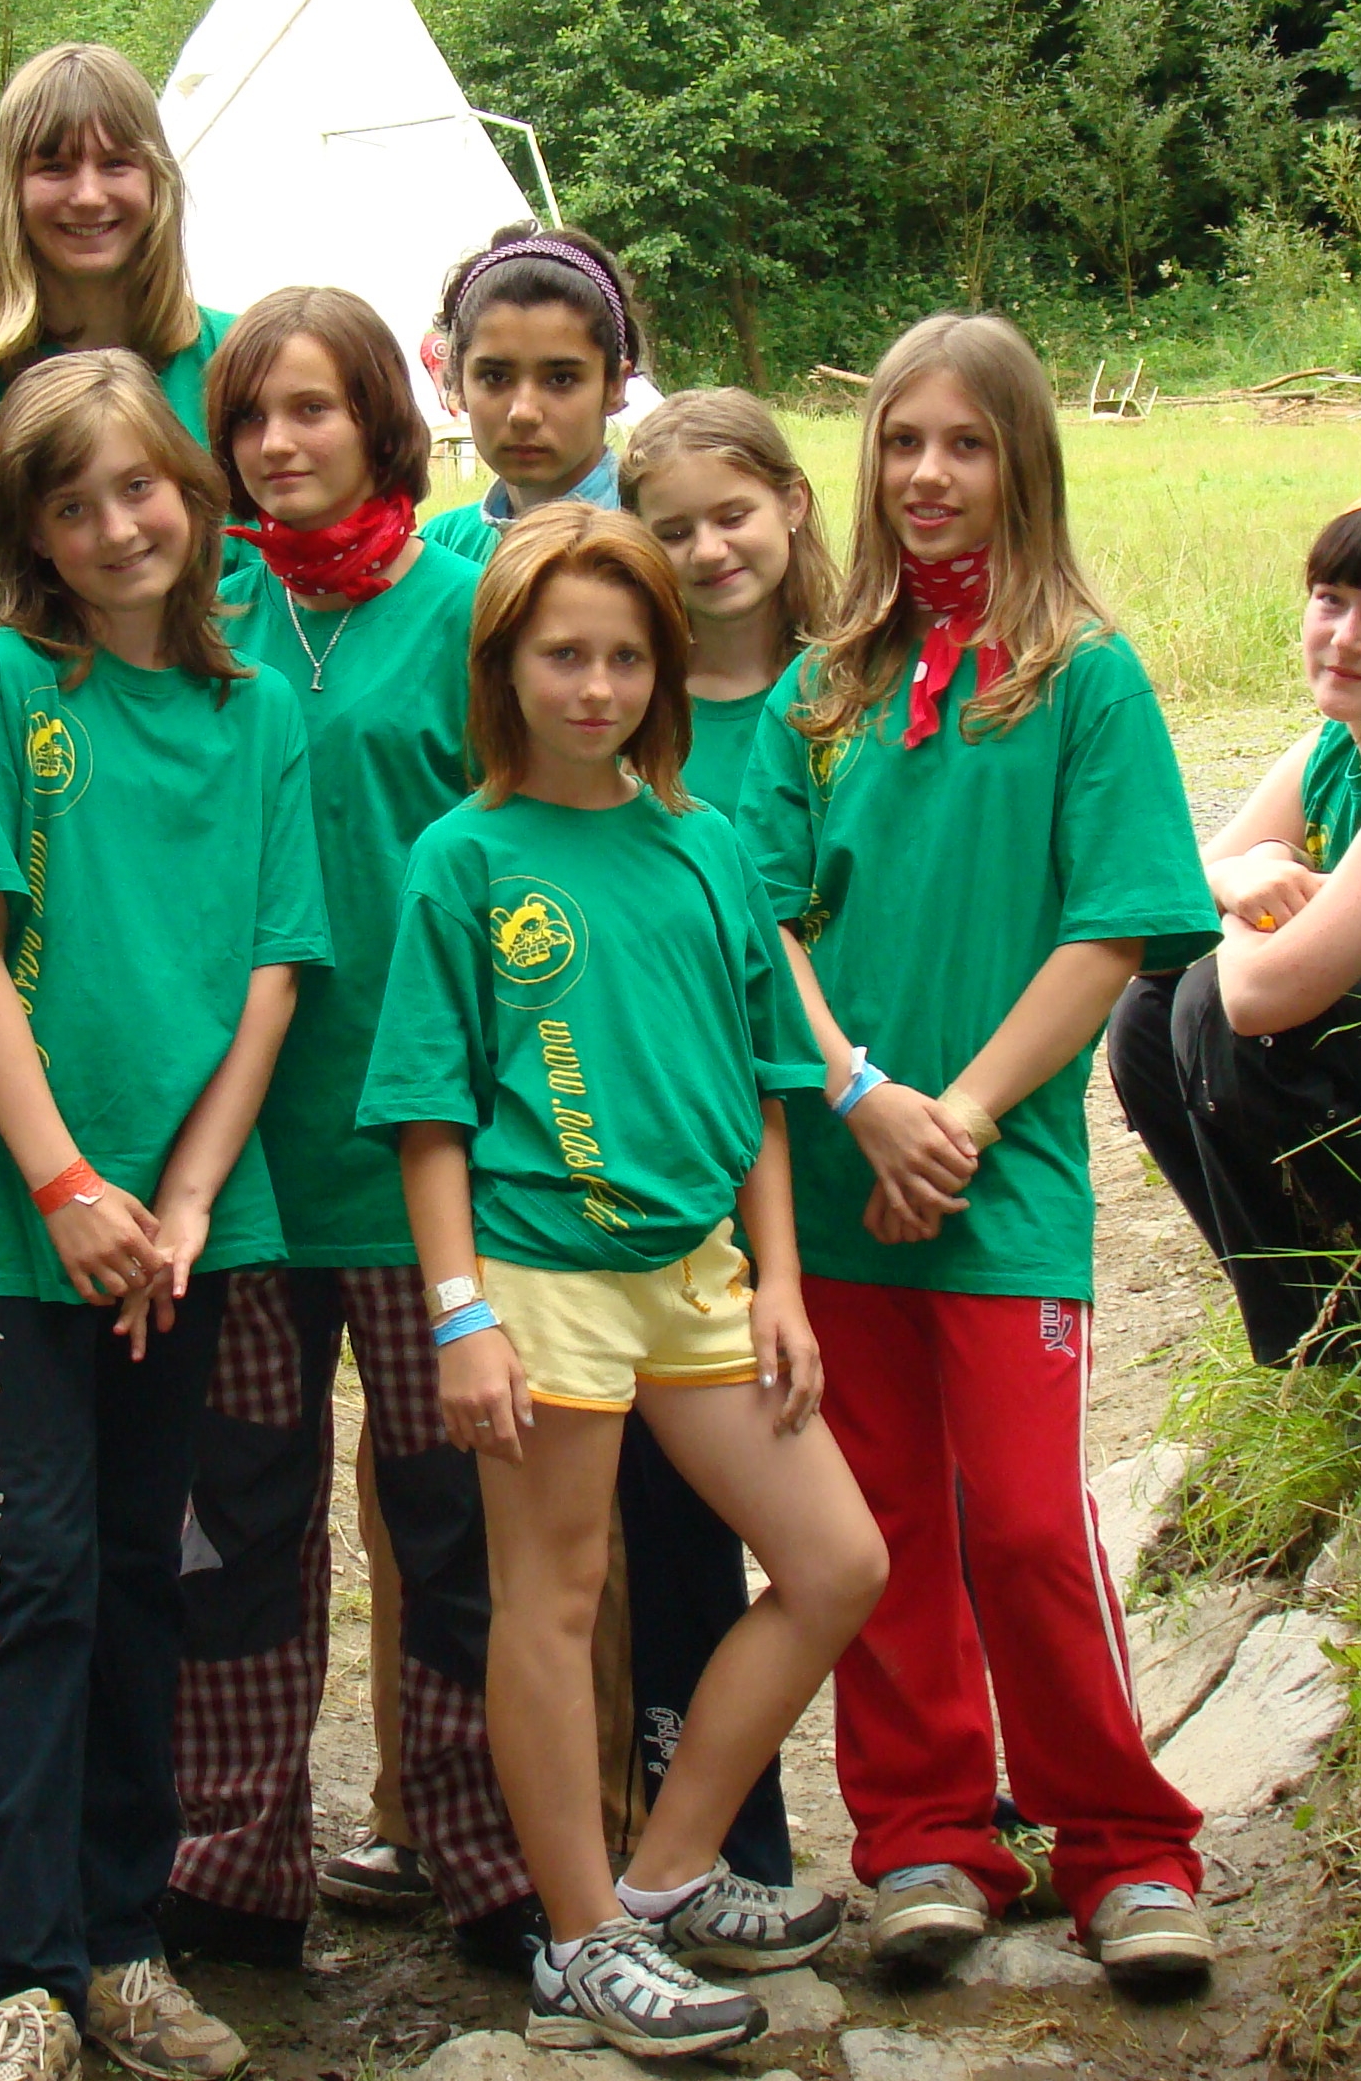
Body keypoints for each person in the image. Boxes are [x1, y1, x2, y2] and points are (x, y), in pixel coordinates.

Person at [733, 313, 1219, 1997]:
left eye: (963, 443)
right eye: (899, 442)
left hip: (995, 1178)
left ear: (1023, 460)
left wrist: (959, 1114)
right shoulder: (818, 690)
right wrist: (862, 1094)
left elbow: (1115, 924)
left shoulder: (1085, 676)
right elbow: (761, 919)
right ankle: (926, 1834)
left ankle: (1124, 1846)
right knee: (878, 1525)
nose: (927, 475)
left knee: (1018, 1522)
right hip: (836, 1171)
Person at [359, 502, 885, 2058]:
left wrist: (781, 1283)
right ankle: (577, 1941)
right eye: (561, 657)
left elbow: (765, 1083)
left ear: (663, 671)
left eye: (625, 659)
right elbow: (429, 1111)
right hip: (540, 1282)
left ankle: (659, 1880)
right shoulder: (461, 859)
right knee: (554, 1599)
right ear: (504, 671)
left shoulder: (708, 845)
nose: (594, 688)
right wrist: (460, 1311)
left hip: (700, 1273)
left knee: (837, 1564)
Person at [0, 350, 328, 2081]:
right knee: (29, 1580)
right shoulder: (2, 685)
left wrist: (188, 1192)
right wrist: (66, 1184)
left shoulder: (255, 708)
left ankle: (129, 1947)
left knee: (149, 1574)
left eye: (140, 486)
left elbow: (277, 962)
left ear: (193, 495)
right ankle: (20, 1971)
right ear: (32, 535)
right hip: (13, 1230)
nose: (117, 525)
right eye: (72, 505)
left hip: (183, 1229)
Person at [160, 288, 541, 1974]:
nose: (276, 443)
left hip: (421, 1155)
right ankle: (234, 1854)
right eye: (249, 417)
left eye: (311, 409)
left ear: (383, 420)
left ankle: (479, 1844)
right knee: (241, 1519)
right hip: (237, 1159)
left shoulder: (469, 611)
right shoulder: (197, 614)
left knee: (450, 1520)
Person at [1104, 483, 1361, 1366]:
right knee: (1145, 1013)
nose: (1345, 637)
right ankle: (1321, 1322)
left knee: (1212, 1005)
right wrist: (1249, 874)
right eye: (1331, 601)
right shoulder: (1345, 739)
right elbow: (1160, 912)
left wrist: (1249, 903)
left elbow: (1263, 995)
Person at [605, 387, 840, 1891]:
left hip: (837, 1169)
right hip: (664, 1188)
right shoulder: (624, 711)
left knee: (840, 1529)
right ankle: (715, 1853)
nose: (705, 550)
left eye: (731, 515)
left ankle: (932, 1818)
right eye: (671, 528)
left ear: (794, 506)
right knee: (672, 1532)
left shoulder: (846, 695)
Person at [0, 44, 232, 447]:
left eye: (115, 163)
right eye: (55, 167)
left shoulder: (244, 362)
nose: (88, 196)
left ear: (158, 180)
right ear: (10, 192)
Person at [417, 227, 646, 568]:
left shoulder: (669, 541)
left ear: (615, 385)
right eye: (495, 377)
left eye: (560, 379)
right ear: (458, 383)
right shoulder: (442, 550)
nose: (523, 412)